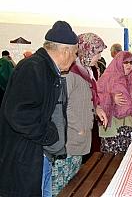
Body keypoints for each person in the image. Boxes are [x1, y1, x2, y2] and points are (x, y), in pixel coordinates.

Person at [0, 20, 78, 197]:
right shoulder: (33, 68)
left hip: (37, 156)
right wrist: (49, 135)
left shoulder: (46, 68)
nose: (75, 58)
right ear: (65, 51)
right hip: (27, 157)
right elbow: (19, 114)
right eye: (75, 53)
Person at [51, 32, 108, 196]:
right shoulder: (71, 73)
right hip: (70, 139)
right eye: (97, 53)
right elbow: (62, 105)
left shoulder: (86, 72)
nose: (98, 57)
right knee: (61, 185)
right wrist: (79, 128)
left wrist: (97, 108)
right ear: (86, 51)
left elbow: (85, 99)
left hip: (79, 139)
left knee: (72, 183)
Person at [97, 51, 132, 154]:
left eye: (131, 63)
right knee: (112, 163)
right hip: (114, 130)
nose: (129, 65)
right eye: (125, 62)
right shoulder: (107, 77)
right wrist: (111, 98)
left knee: (130, 159)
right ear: (118, 62)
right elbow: (96, 98)